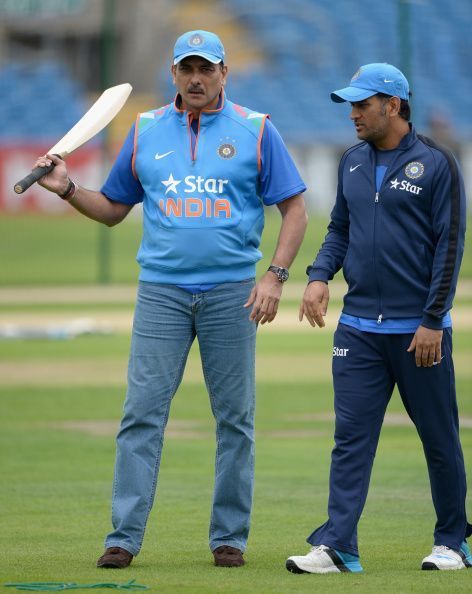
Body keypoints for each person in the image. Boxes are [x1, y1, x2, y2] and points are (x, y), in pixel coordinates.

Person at [33, 30, 307, 569]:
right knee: (141, 417)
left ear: (225, 73)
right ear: (174, 72)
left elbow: (294, 209)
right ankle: (123, 537)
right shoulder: (144, 129)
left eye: (208, 69)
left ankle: (229, 536)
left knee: (235, 421)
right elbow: (113, 207)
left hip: (232, 293)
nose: (197, 78)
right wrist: (67, 188)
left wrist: (274, 275)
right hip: (161, 292)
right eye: (188, 69)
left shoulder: (257, 130)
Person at [286, 63, 471, 574]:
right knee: (350, 440)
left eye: (362, 104)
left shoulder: (438, 162)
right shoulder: (351, 161)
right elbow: (339, 229)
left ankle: (454, 540)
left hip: (419, 332)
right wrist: (320, 275)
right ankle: (338, 545)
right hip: (359, 329)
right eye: (351, 104)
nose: (353, 114)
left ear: (393, 105)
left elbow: (449, 248)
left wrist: (434, 319)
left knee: (439, 439)